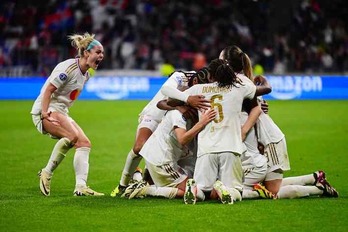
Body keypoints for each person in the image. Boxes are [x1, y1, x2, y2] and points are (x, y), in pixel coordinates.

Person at [110, 70, 210, 197]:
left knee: (163, 150)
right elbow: (164, 94)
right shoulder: (182, 76)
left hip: (172, 119)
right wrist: (185, 101)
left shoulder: (204, 85)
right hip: (155, 115)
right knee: (140, 147)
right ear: (195, 81)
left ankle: (145, 181)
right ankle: (122, 185)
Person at [31, 32, 105, 196]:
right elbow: (49, 90)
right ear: (86, 53)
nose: (101, 56)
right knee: (72, 137)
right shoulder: (69, 68)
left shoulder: (86, 74)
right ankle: (47, 172)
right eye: (98, 52)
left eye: (102, 53)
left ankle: (80, 187)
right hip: (47, 109)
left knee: (84, 143)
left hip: (61, 111)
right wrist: (43, 113)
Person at [183, 57, 262, 205]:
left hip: (206, 149)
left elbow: (170, 98)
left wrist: (186, 100)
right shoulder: (240, 88)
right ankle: (225, 190)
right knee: (236, 191)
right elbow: (258, 91)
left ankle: (194, 190)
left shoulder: (198, 90)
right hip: (230, 148)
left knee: (203, 190)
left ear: (210, 76)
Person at [219, 45, 289, 196]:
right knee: (269, 188)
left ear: (226, 63)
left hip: (270, 142)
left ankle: (316, 187)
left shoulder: (240, 84)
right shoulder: (243, 83)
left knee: (273, 192)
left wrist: (244, 131)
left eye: (219, 60)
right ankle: (314, 179)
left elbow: (257, 108)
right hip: (261, 143)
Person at [123, 105, 216, 200]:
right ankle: (144, 190)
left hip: (159, 157)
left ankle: (145, 183)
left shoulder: (185, 116)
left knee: (194, 187)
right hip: (162, 162)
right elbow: (182, 139)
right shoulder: (177, 115)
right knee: (197, 194)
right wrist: (202, 123)